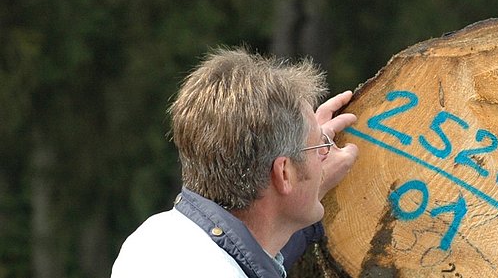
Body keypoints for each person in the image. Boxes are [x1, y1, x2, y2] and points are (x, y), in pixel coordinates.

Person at [111, 48, 360, 277]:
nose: (325, 153)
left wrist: (306, 167)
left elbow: (252, 251)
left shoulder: (151, 239)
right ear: (284, 173)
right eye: (320, 146)